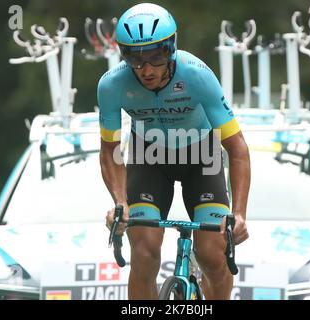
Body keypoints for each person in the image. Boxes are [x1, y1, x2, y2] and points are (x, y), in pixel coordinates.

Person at [98, 3, 250, 300]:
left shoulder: (196, 75)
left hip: (201, 155)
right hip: (148, 156)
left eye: (156, 56)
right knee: (143, 250)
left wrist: (240, 213)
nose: (146, 69)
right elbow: (109, 150)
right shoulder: (111, 85)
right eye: (135, 58)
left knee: (212, 253)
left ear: (171, 48)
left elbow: (237, 148)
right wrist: (120, 203)